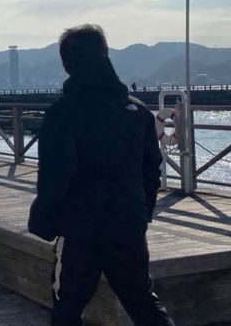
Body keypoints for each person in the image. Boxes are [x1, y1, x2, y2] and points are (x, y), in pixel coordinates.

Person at [28, 25, 174, 326]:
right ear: (105, 55)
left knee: (68, 305)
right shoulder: (136, 111)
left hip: (80, 227)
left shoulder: (62, 113)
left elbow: (55, 175)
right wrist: (142, 211)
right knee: (142, 300)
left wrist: (44, 220)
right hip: (127, 223)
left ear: (67, 64)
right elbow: (152, 168)